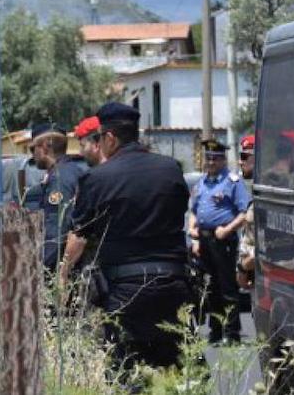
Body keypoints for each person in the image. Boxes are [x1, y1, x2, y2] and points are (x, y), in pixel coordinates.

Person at [61, 103, 193, 378]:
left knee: (125, 371)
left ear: (110, 138)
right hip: (173, 283)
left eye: (100, 137)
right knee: (177, 369)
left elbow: (79, 235)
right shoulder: (171, 168)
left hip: (126, 289)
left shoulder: (97, 178)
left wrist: (63, 275)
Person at [188, 139, 251, 345]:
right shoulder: (202, 182)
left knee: (227, 287)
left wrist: (228, 229)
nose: (211, 162)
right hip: (204, 239)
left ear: (223, 160)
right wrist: (193, 229)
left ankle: (232, 333)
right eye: (208, 158)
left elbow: (244, 212)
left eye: (215, 158)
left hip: (223, 239)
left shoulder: (232, 182)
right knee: (210, 287)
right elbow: (194, 210)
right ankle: (215, 331)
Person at [24, 131, 87, 271]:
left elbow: (58, 230)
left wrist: (41, 266)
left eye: (33, 149)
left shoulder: (59, 178)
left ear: (45, 147)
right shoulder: (72, 171)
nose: (32, 155)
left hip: (63, 267)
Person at [236, 135, 257, 292]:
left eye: (244, 157)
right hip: (254, 276)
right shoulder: (255, 190)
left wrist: (243, 267)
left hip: (261, 273)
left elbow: (273, 246)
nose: (240, 162)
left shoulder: (271, 192)